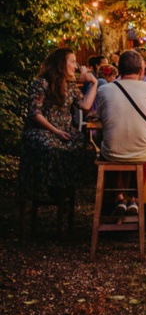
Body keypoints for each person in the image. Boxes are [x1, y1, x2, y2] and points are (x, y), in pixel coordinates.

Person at [18, 47, 98, 201]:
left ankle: (68, 186)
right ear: (61, 63)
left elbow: (85, 106)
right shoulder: (41, 83)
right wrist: (55, 131)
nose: (76, 67)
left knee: (87, 147)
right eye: (73, 62)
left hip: (64, 130)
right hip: (42, 130)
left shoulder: (69, 86)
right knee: (51, 147)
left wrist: (93, 82)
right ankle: (50, 187)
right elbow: (35, 114)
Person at [95, 50, 146, 216]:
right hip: (143, 153)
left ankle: (119, 197)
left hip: (112, 152)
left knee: (113, 143)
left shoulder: (104, 90)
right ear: (141, 70)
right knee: (141, 146)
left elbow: (100, 119)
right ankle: (134, 197)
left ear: (119, 68)